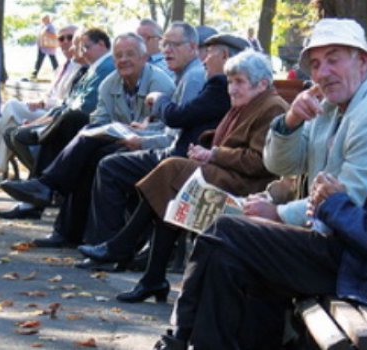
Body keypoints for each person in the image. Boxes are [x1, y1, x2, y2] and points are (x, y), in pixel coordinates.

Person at [150, 56, 367, 350]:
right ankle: (181, 341)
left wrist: (333, 204)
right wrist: (325, 201)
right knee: (232, 257)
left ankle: (177, 340)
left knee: (226, 233)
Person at [80, 50, 288, 305]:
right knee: (171, 196)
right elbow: (235, 144)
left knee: (172, 170)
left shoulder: (272, 107)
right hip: (228, 175)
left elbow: (260, 162)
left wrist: (213, 154)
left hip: (248, 187)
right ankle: (152, 278)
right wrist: (206, 149)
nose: (232, 88)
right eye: (230, 81)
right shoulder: (249, 102)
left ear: (262, 84)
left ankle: (123, 245)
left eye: (239, 82)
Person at [74, 34, 248, 270]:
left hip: (195, 162)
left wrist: (159, 100)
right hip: (190, 156)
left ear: (225, 56)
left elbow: (178, 117)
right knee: (108, 157)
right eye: (165, 45)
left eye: (174, 44)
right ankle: (135, 263)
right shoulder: (211, 81)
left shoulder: (213, 82)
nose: (204, 60)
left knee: (114, 167)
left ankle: (112, 249)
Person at [0, 32, 175, 247]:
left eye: (130, 54)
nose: (123, 60)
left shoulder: (161, 83)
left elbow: (166, 129)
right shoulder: (109, 84)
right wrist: (119, 130)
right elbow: (99, 120)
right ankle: (61, 218)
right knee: (82, 139)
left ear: (144, 57)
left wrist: (135, 132)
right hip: (118, 141)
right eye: (118, 55)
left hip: (147, 145)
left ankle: (51, 195)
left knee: (87, 153)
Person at [243, 18, 367, 234]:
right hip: (324, 231)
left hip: (353, 246)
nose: (322, 74)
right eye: (316, 65)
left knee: (228, 233)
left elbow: (356, 196)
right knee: (227, 232)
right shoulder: (327, 108)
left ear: (363, 62)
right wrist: (291, 121)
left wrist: (279, 214)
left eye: (333, 60)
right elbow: (279, 165)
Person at [0, 28, 114, 219]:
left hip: (96, 127)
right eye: (81, 48)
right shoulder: (93, 68)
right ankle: (38, 193)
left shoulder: (107, 67)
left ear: (102, 44)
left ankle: (38, 194)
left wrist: (46, 124)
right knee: (33, 130)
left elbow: (86, 106)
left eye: (86, 47)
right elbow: (69, 102)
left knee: (65, 122)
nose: (82, 51)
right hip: (76, 123)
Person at [0, 24, 80, 196]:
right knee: (10, 121)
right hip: (46, 111)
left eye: (70, 37)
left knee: (11, 106)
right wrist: (40, 101)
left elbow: (68, 102)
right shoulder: (61, 67)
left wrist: (43, 103)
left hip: (57, 116)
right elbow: (51, 94)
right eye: (61, 38)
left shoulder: (81, 67)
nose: (65, 42)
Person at [31, 14, 59, 79]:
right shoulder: (43, 26)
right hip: (42, 46)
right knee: (39, 60)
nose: (43, 20)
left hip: (49, 47)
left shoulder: (51, 26)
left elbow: (54, 36)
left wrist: (46, 34)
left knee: (53, 60)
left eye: (44, 18)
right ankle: (34, 73)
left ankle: (58, 74)